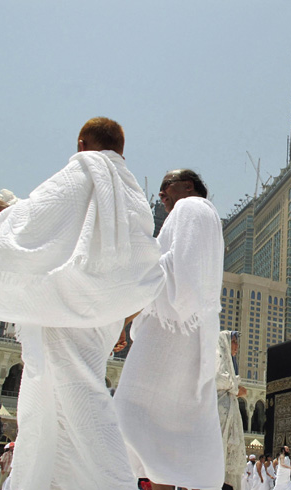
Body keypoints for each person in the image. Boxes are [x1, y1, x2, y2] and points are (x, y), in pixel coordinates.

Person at [0, 117, 164, 489]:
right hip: (102, 314)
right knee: (48, 408)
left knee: (81, 397)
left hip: (65, 309)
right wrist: (124, 319)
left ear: (82, 144)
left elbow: (37, 219)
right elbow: (144, 267)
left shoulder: (84, 169)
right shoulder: (133, 198)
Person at [114, 168, 226, 490]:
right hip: (187, 333)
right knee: (172, 434)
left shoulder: (192, 208)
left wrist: (125, 311)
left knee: (129, 412)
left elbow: (177, 271)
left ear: (187, 186)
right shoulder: (204, 216)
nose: (161, 194)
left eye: (166, 186)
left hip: (171, 332)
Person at [217, 330, 248, 490]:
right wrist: (235, 387)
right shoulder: (216, 358)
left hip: (229, 420)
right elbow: (215, 379)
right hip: (218, 418)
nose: (236, 345)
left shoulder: (229, 365)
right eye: (233, 341)